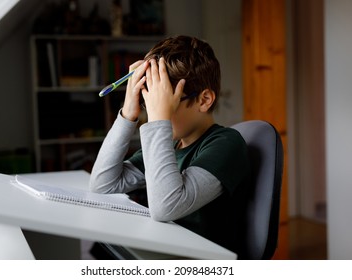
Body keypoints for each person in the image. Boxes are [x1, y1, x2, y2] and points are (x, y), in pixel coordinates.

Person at [90, 35, 250, 257]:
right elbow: (102, 184)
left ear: (204, 100)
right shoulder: (171, 145)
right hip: (164, 250)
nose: (153, 114)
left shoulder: (227, 144)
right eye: (150, 105)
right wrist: (128, 113)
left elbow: (166, 207)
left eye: (165, 104)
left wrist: (158, 120)